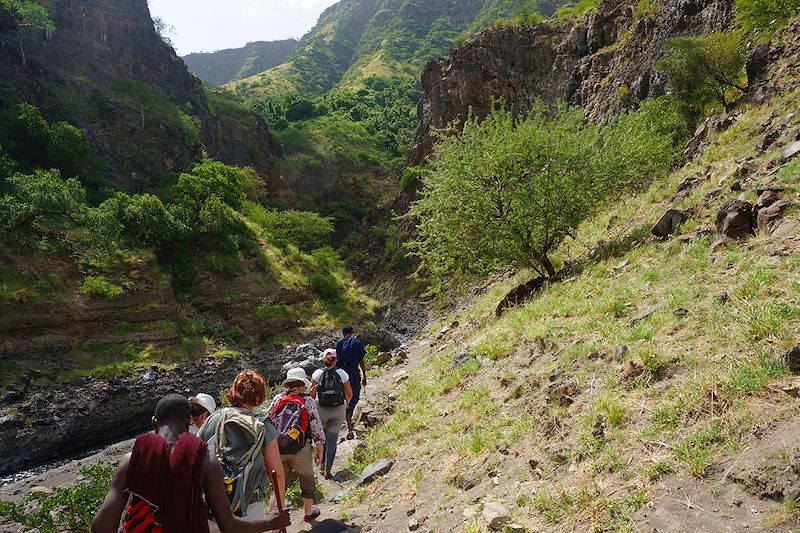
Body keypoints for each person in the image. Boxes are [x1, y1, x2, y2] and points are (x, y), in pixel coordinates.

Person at [91, 393, 290, 533]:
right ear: (188, 424)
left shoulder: (131, 460)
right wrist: (270, 523)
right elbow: (229, 526)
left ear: (154, 422)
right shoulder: (204, 459)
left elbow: (100, 527)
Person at [198, 371, 285, 520]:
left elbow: (195, 455)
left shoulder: (213, 419)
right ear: (259, 397)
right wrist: (278, 508)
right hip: (249, 505)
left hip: (212, 504)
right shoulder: (263, 425)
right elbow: (276, 473)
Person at [268, 368, 325, 524]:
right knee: (307, 480)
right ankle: (308, 514)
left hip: (278, 449)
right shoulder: (308, 401)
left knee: (278, 487)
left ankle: (272, 521)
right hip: (301, 449)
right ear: (301, 386)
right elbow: (315, 425)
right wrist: (320, 446)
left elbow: (268, 421)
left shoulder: (278, 399)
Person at [310, 348, 353, 479]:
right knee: (332, 441)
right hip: (338, 410)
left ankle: (321, 464)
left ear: (323, 359)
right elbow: (349, 394)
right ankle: (328, 470)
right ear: (336, 359)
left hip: (321, 409)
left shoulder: (317, 374)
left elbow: (311, 395)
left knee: (321, 439)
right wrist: (345, 405)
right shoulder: (342, 374)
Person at [335, 325, 367, 439]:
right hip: (353, 373)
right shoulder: (356, 343)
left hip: (341, 375)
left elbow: (336, 361)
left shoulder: (338, 344)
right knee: (355, 396)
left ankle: (347, 419)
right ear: (352, 332)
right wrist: (364, 375)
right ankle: (349, 415)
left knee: (345, 396)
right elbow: (361, 360)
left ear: (343, 333)